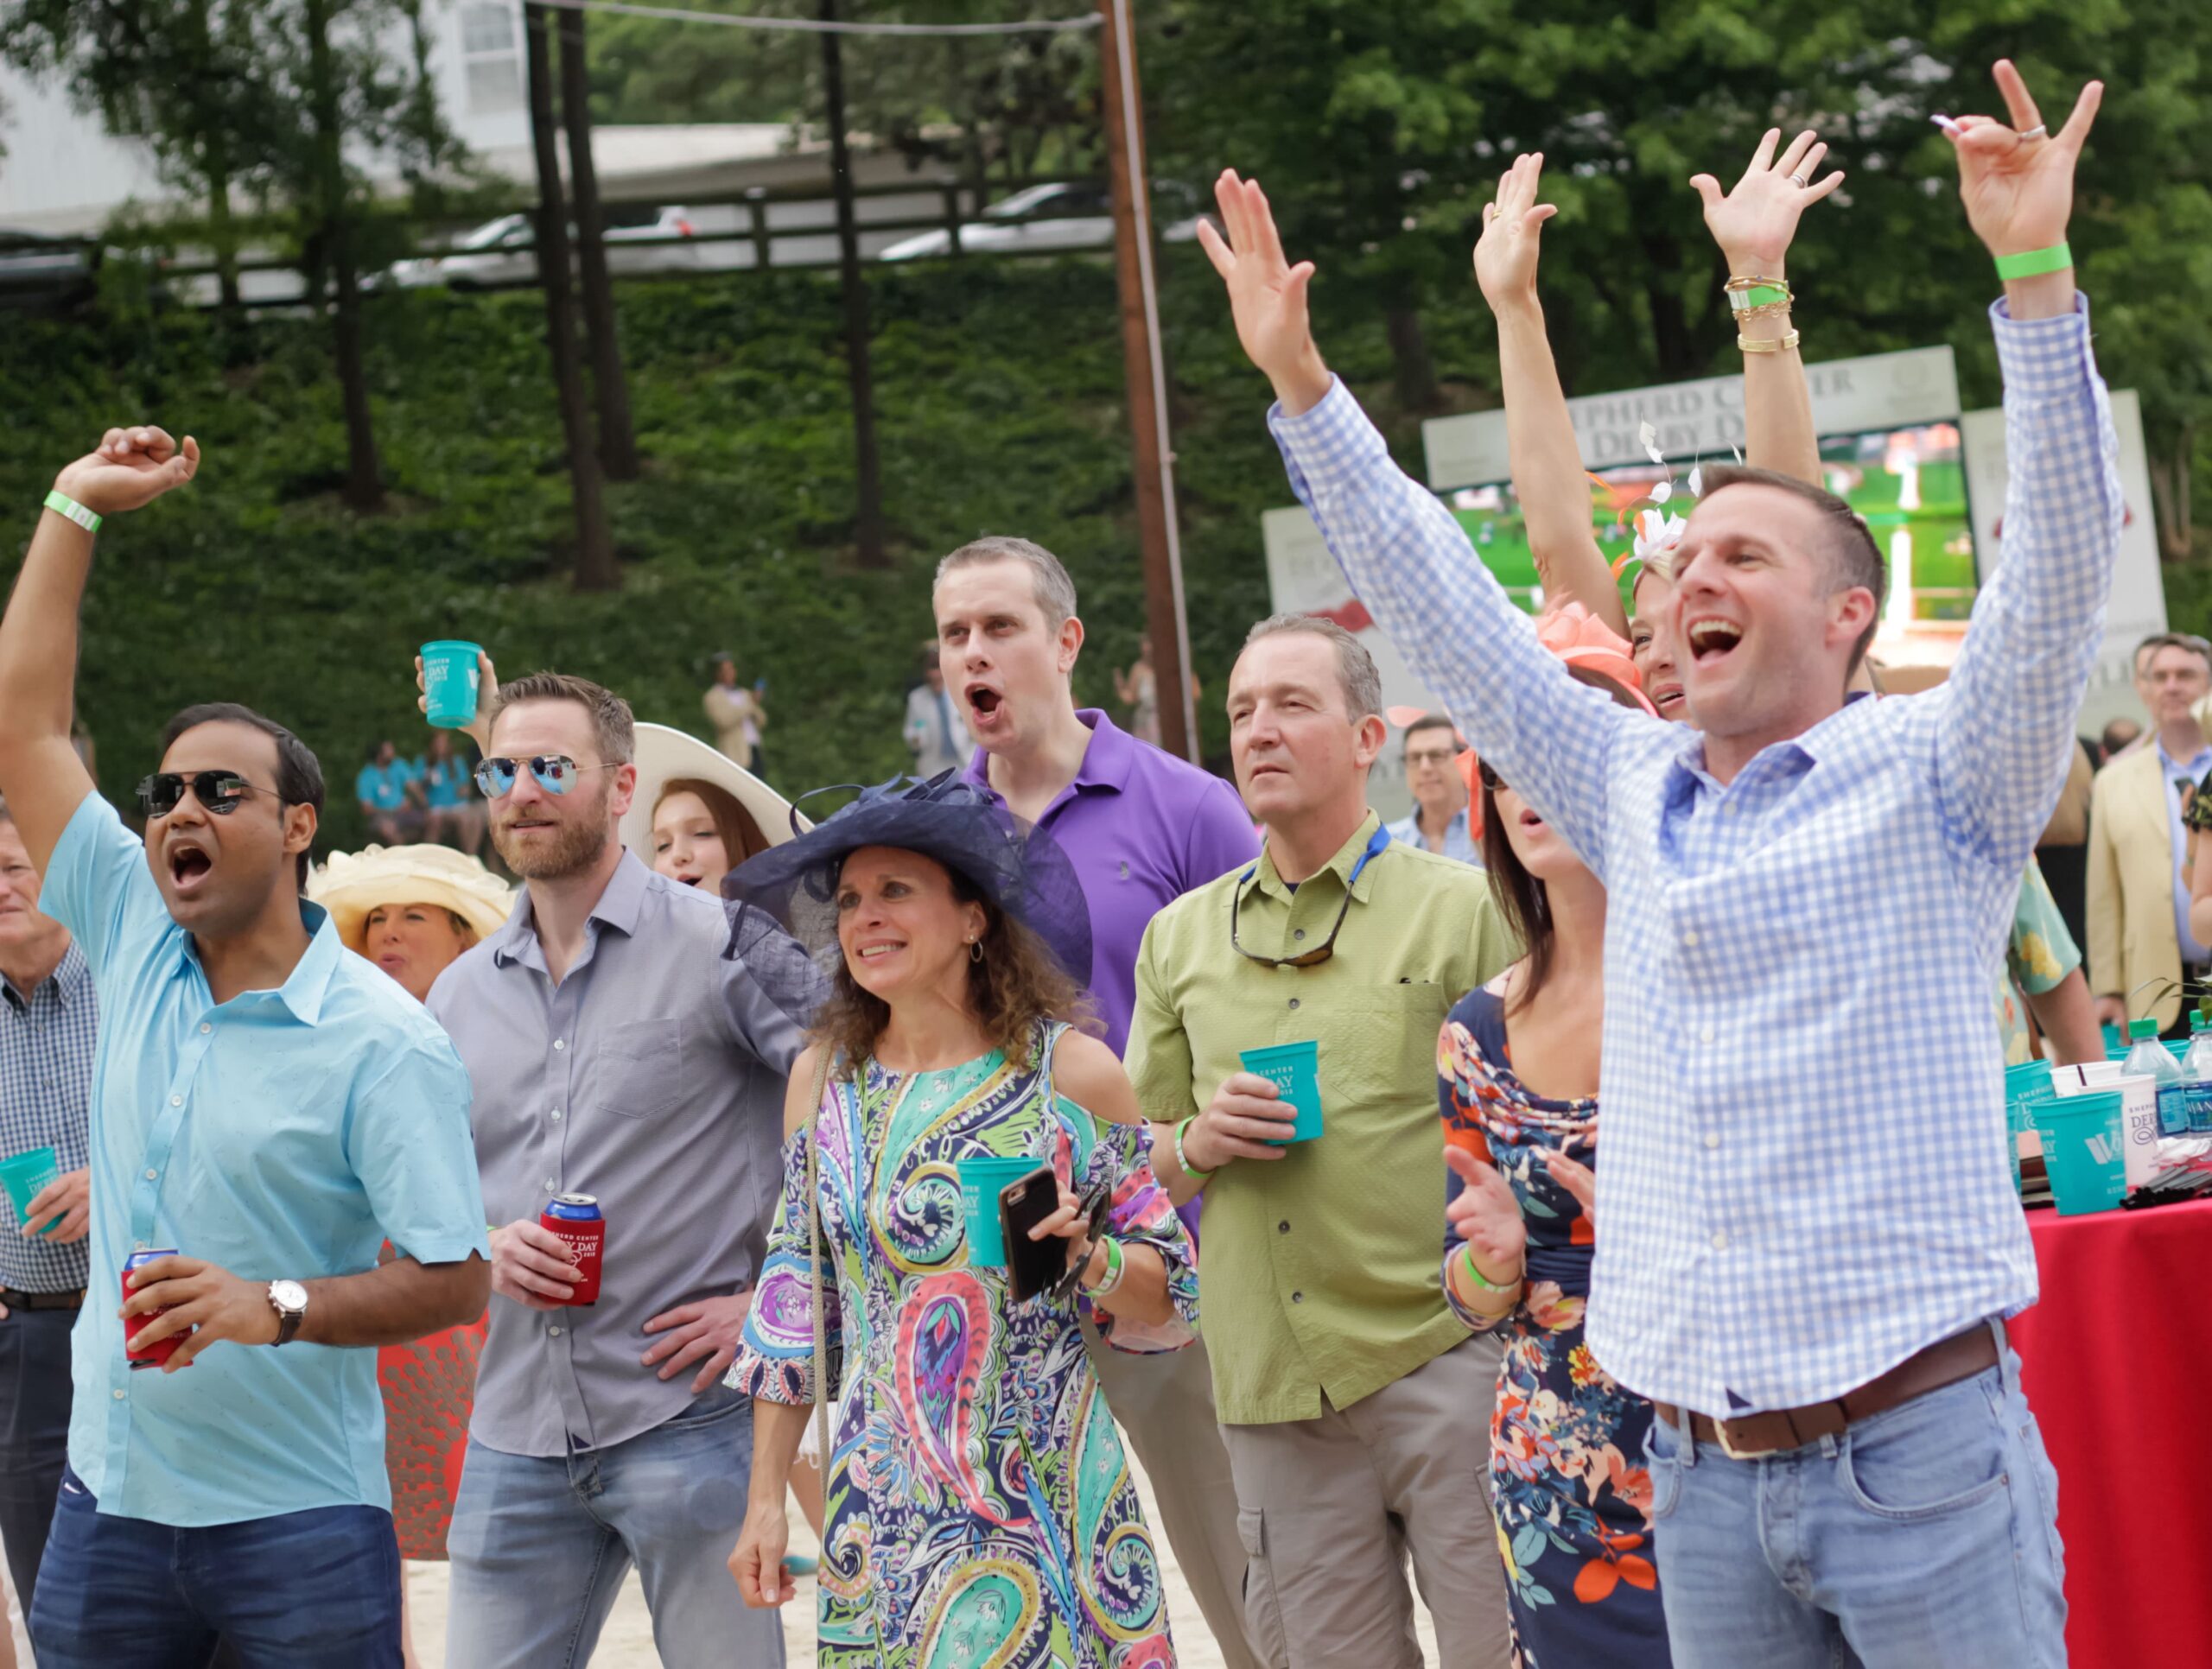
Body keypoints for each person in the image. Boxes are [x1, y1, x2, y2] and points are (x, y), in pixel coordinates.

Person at [1203, 60, 2109, 1665]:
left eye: (1739, 552)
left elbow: (2049, 582)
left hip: (1918, 1455)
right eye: (1682, 553)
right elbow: (1452, 615)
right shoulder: (1629, 784)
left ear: (1849, 620)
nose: (1688, 567)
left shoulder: (1942, 778)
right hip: (1688, 1477)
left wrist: (2033, 282)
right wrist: (1304, 390)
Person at [0, 423, 491, 1667]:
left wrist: (269, 1305)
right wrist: (72, 506)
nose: (180, 811)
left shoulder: (385, 1040)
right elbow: (25, 722)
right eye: (164, 794)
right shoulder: (127, 929)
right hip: (105, 1509)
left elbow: (454, 1276)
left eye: (220, 791)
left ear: (299, 824)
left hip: (299, 1523)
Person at [722, 773, 1198, 1664]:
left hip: (1048, 1492)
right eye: (852, 900)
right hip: (883, 1504)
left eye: (896, 891)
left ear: (974, 918)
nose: (864, 917)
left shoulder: (1073, 1075)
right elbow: (795, 1305)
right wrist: (762, 1503)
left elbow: (1168, 1294)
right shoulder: (822, 1083)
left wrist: (1089, 1258)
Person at [1133, 612, 1518, 1669]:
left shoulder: (1465, 909)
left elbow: (1532, 1120)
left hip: (1446, 1356)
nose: (1258, 730)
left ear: (1367, 738)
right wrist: (1200, 1141)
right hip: (1272, 1389)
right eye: (1242, 710)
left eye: (1292, 705)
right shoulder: (1180, 938)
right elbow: (1134, 1171)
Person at [426, 669, 804, 1669]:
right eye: (500, 769)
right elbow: (413, 1181)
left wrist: (775, 1298)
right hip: (513, 1433)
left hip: (690, 1417)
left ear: (623, 787)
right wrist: (479, 1236)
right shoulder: (455, 996)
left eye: (552, 766)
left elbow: (861, 1105)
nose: (521, 790)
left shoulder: (726, 944)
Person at [935, 534, 1265, 1666]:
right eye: (954, 634)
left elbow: (1267, 1018)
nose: (974, 653)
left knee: (1247, 1589)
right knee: (1021, 1604)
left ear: (1066, 642)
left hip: (1172, 1264)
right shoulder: (933, 840)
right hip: (997, 1277)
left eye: (1000, 627)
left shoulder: (1189, 808)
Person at [1434, 638, 1669, 1666]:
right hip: (1551, 1462)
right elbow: (1468, 1297)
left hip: (1713, 1435)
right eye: (1503, 770)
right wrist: (1489, 1264)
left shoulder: (1701, 982)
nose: (1525, 789)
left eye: (1550, 755)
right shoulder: (1474, 1034)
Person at [309, 842, 516, 1667]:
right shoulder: (338, 1029)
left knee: (491, 1513)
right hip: (364, 1282)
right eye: (376, 920)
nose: (389, 933)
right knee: (369, 1509)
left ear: (462, 935)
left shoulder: (498, 1028)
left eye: (414, 916)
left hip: (475, 1284)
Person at [0, 795, 95, 1619]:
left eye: (13, 869)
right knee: (54, 1599)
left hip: (153, 1308)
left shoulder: (135, 978)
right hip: (24, 1333)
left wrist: (114, 1181)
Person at [2087, 632, 2212, 1035]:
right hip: (2158, 992)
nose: (2172, 685)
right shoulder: (2113, 781)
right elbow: (2103, 895)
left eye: (2185, 674)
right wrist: (2107, 987)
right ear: (2144, 690)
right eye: (2160, 676)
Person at [1384, 713, 1480, 864]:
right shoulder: (1387, 845)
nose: (1425, 768)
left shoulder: (1495, 837)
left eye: (1436, 755)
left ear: (1464, 760)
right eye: (1415, 757)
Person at [902, 642, 973, 778]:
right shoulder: (916, 698)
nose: (934, 674)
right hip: (933, 765)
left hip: (966, 758)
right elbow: (910, 729)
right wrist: (915, 738)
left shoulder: (961, 690)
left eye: (937, 668)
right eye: (930, 669)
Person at [419, 731, 484, 858]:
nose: (441, 746)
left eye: (444, 743)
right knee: (444, 821)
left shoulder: (456, 761)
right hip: (437, 807)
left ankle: (470, 856)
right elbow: (419, 788)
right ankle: (429, 859)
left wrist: (464, 790)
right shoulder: (424, 762)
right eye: (438, 743)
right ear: (432, 745)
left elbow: (466, 786)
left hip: (458, 805)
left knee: (474, 820)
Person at [704, 653, 768, 775]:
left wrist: (754, 703)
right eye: (726, 669)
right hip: (735, 754)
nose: (730, 672)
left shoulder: (743, 693)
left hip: (753, 749)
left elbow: (762, 720)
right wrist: (748, 705)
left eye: (732, 668)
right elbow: (723, 721)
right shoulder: (713, 696)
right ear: (718, 673)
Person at [357, 740, 423, 847]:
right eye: (389, 750)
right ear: (379, 755)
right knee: (390, 829)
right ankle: (403, 861)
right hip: (381, 816)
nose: (393, 753)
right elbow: (367, 809)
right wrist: (393, 810)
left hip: (404, 813)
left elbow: (414, 787)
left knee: (431, 821)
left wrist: (416, 801)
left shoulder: (399, 765)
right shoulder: (367, 775)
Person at [1115, 633, 1164, 747]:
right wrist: (1120, 687)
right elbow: (1130, 698)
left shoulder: (1167, 668)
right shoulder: (1138, 669)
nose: (1146, 648)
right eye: (1144, 644)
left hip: (1164, 722)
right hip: (1144, 722)